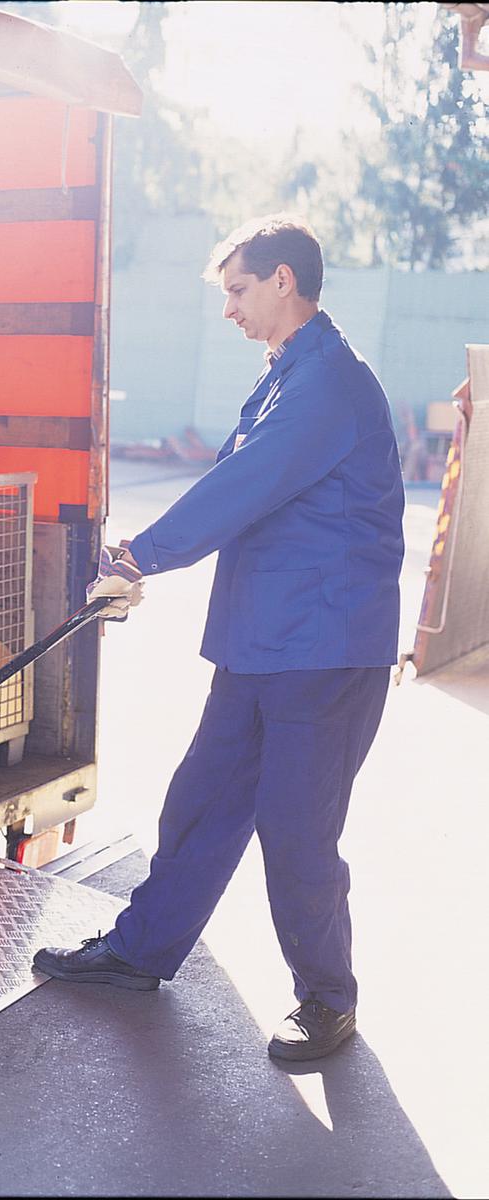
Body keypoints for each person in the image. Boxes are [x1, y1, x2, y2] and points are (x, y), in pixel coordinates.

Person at [36, 214, 406, 1062]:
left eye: (239, 289)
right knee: (200, 803)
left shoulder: (328, 385)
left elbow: (245, 483)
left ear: (284, 280)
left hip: (323, 649)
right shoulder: (287, 375)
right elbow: (243, 488)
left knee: (295, 831)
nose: (229, 309)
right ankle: (140, 951)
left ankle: (326, 999)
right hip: (260, 643)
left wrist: (138, 555)